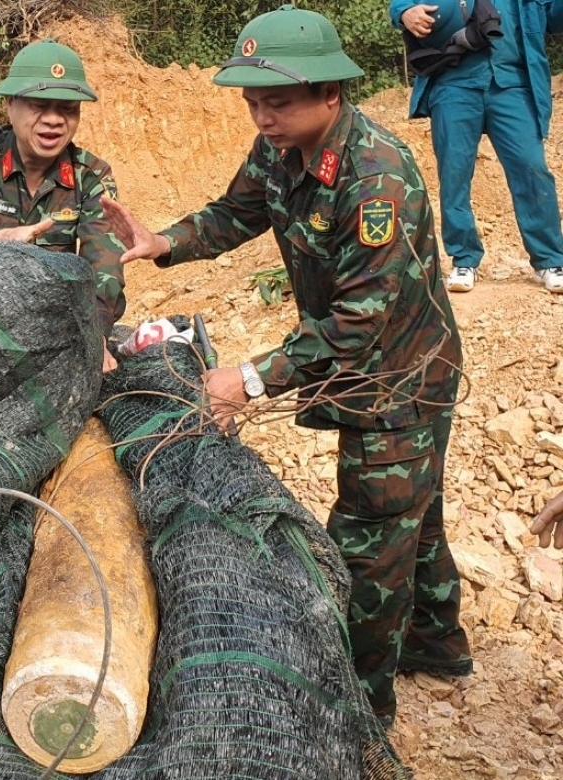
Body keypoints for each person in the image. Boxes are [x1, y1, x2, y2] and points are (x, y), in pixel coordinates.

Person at [100, 4, 468, 726]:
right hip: (365, 368)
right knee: (410, 519)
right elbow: (235, 214)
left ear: (330, 93)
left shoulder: (376, 177)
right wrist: (163, 241)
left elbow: (358, 326)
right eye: (252, 102)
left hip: (400, 379)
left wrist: (249, 377)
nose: (262, 117)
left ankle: (361, 704)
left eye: (278, 101)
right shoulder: (278, 152)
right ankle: (439, 642)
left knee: (369, 534)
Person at [0, 40, 126, 369]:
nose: (54, 120)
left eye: (68, 109)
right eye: (40, 105)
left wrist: (94, 335)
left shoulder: (92, 176)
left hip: (57, 323)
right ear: (10, 105)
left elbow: (105, 263)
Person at [390, 0, 563, 293]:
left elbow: (554, 20)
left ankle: (551, 259)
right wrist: (404, 13)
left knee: (531, 168)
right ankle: (464, 259)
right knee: (454, 173)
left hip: (514, 85)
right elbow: (401, 6)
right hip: (453, 83)